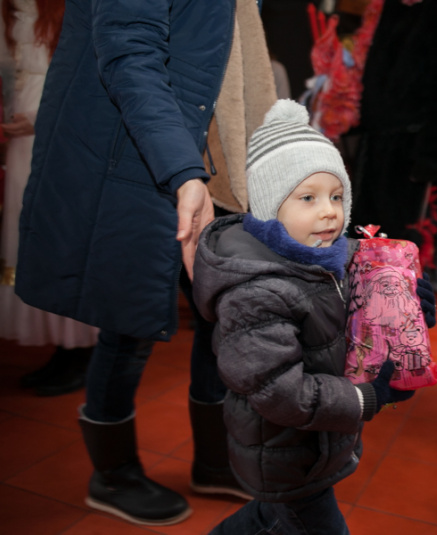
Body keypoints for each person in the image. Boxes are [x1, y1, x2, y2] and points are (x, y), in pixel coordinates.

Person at [14, 0, 276, 526]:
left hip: (211, 166)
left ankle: (213, 462)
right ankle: (112, 474)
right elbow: (129, 53)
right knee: (127, 322)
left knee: (219, 317)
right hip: (143, 160)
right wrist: (182, 172)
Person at [193, 99, 432, 534]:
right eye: (308, 197)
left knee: (268, 519)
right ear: (269, 206)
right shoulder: (255, 293)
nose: (329, 211)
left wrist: (401, 300)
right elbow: (280, 391)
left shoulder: (325, 254)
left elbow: (347, 309)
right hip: (284, 451)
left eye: (337, 196)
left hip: (316, 442)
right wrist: (366, 398)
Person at [0, 0, 97, 396]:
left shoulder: (70, 13)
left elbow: (88, 85)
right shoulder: (13, 14)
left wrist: (39, 117)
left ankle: (82, 351)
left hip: (64, 145)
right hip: (25, 147)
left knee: (63, 243)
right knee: (33, 240)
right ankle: (63, 347)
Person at [347, 0, 437, 289]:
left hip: (415, 152)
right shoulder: (389, 8)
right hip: (374, 150)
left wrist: (434, 155)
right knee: (363, 247)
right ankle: (362, 325)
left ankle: (402, 329)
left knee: (405, 258)